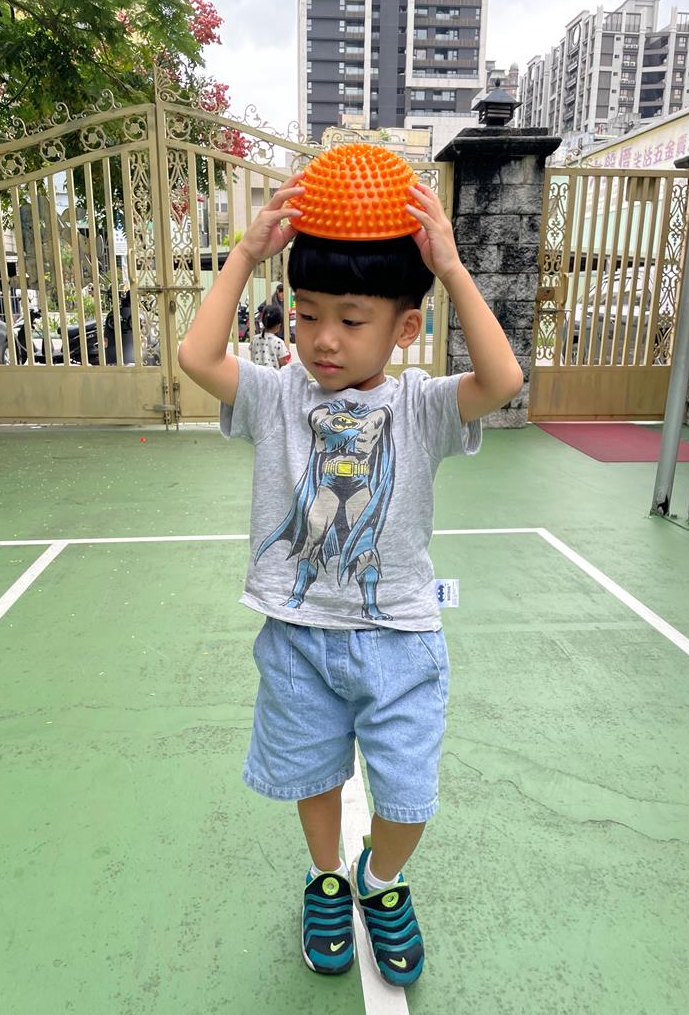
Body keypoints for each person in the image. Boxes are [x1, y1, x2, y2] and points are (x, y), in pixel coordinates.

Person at [177, 173, 522, 986]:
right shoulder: (275, 396)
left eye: (350, 319)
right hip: (297, 638)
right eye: (306, 315)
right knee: (312, 774)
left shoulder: (423, 407)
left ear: (404, 327)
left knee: (407, 796)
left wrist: (452, 269)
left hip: (399, 639)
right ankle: (326, 876)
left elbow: (503, 381)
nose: (322, 338)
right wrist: (245, 254)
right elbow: (197, 356)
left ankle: (379, 876)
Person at [249, 303, 289, 369]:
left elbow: (253, 357)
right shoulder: (279, 342)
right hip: (272, 375)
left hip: (257, 374)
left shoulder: (255, 339)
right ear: (279, 325)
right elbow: (283, 365)